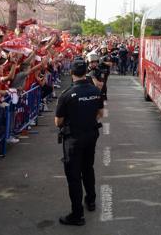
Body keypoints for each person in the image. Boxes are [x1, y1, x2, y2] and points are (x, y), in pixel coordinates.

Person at [55, 59, 104, 226]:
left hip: (74, 139)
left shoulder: (67, 95)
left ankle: (77, 215)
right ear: (85, 72)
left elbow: (58, 122)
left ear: (72, 73)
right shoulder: (95, 90)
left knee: (74, 176)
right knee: (88, 168)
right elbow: (100, 113)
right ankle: (91, 201)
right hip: (91, 134)